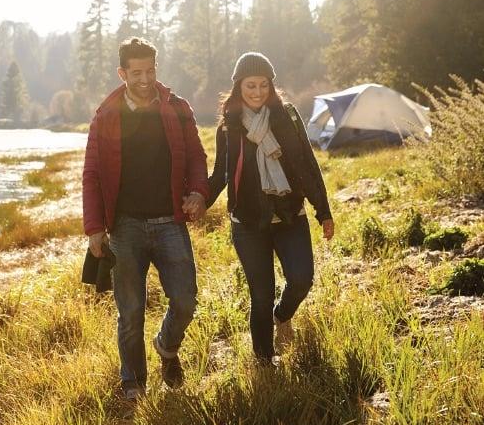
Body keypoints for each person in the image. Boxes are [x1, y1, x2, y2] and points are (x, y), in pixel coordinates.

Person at [82, 37, 208, 400]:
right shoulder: (106, 115)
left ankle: (167, 348)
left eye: (150, 70)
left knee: (185, 300)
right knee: (131, 311)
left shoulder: (177, 107)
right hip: (125, 227)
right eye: (136, 72)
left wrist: (198, 192)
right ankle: (133, 382)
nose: (145, 78)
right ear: (122, 73)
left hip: (170, 221)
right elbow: (91, 173)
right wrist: (93, 228)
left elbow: (197, 158)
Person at [202, 51, 334, 364]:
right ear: (239, 87)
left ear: (271, 86)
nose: (258, 92)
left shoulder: (286, 116)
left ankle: (282, 315)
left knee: (301, 279)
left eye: (263, 85)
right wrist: (199, 202)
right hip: (248, 221)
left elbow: (306, 163)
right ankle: (264, 362)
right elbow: (222, 172)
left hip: (289, 213)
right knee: (260, 295)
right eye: (251, 86)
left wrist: (323, 210)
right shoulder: (229, 127)